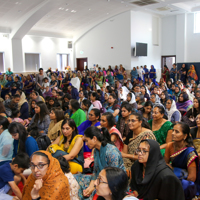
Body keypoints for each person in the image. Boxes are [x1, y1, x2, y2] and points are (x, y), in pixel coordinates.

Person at [74, 126, 125, 199]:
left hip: (111, 184)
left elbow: (113, 177)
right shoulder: (96, 150)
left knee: (93, 193)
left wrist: (94, 186)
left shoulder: (112, 152)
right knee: (74, 178)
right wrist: (91, 185)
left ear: (94, 138)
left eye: (87, 141)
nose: (86, 144)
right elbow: (95, 170)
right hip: (99, 178)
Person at [164, 123, 199, 199]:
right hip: (172, 177)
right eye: (173, 130)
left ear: (185, 136)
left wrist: (176, 173)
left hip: (184, 182)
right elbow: (165, 163)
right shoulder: (170, 146)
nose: (173, 133)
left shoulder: (190, 152)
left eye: (177, 132)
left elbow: (192, 178)